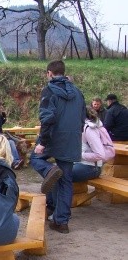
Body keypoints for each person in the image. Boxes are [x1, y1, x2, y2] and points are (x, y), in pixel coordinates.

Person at [30, 60, 86, 234]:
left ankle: (49, 171)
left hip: (54, 138)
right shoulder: (78, 92)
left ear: (49, 73)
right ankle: (61, 222)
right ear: (64, 72)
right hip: (72, 140)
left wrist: (43, 143)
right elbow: (83, 117)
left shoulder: (49, 90)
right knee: (66, 180)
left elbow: (47, 119)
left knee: (35, 158)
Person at [72, 108, 112, 183]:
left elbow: (100, 155)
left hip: (92, 167)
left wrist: (80, 155)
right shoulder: (79, 127)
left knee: (61, 174)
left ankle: (62, 195)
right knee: (53, 172)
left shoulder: (90, 129)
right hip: (80, 164)